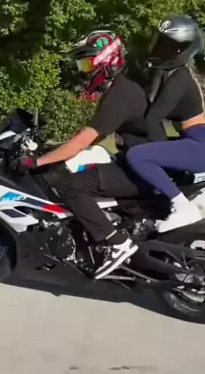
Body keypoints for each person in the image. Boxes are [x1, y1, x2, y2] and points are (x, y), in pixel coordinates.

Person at [29, 30, 168, 280]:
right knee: (80, 165)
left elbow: (84, 140)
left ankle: (115, 242)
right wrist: (55, 148)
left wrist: (36, 161)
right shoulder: (122, 89)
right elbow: (93, 136)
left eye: (87, 64)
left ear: (105, 61)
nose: (84, 71)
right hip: (141, 164)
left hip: (142, 171)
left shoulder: (120, 95)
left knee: (69, 184)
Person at [125, 15, 205, 233]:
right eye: (160, 43)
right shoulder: (174, 74)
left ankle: (182, 206)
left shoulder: (179, 80)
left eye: (168, 46)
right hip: (204, 140)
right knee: (147, 150)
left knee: (137, 156)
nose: (160, 49)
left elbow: (151, 118)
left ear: (182, 50)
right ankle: (189, 196)